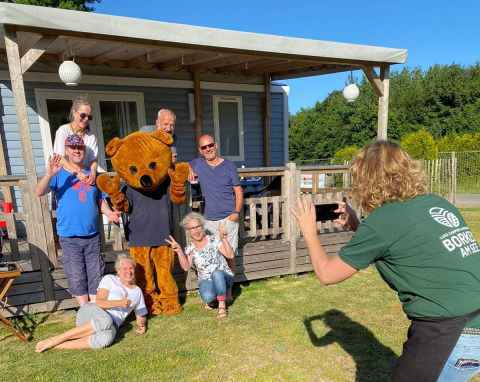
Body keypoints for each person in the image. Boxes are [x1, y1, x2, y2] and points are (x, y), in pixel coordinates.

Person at [291, 140, 480, 382]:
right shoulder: (437, 203)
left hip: (448, 333)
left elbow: (327, 275)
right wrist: (357, 226)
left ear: (367, 180)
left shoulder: (383, 220)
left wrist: (308, 231)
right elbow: (402, 244)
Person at [35, 135, 121, 307]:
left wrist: (110, 213)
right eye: (72, 148)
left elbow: (100, 200)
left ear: (84, 151)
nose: (76, 151)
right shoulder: (59, 173)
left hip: (92, 235)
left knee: (95, 273)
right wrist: (49, 174)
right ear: (66, 151)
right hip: (69, 236)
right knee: (76, 274)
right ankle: (85, 310)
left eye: (80, 148)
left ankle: (96, 310)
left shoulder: (93, 175)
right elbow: (39, 191)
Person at [35, 254, 147, 352]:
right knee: (106, 320)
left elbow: (140, 314)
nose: (129, 272)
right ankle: (56, 339)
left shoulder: (137, 291)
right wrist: (119, 303)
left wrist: (142, 324)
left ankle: (56, 345)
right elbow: (99, 302)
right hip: (91, 312)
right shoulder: (110, 279)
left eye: (131, 268)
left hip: (111, 324)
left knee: (106, 339)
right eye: (125, 269)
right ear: (118, 270)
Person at [188, 135, 242, 300]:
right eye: (203, 147)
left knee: (228, 255)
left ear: (216, 145)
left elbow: (238, 191)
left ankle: (228, 290)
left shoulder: (229, 166)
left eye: (210, 145)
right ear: (200, 150)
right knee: (212, 256)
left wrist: (236, 214)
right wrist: (187, 167)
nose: (208, 149)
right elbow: (179, 165)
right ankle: (214, 288)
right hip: (209, 221)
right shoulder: (198, 164)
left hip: (228, 218)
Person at [165, 212, 234, 319]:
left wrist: (224, 238)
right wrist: (179, 251)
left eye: (198, 226)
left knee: (217, 273)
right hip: (206, 279)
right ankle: (219, 294)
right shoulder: (190, 249)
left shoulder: (214, 240)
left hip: (223, 276)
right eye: (192, 228)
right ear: (188, 231)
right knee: (207, 297)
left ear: (202, 226)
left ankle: (222, 306)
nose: (196, 230)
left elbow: (230, 255)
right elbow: (186, 267)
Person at [53, 96, 98, 185]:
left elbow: (93, 160)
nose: (86, 119)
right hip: (65, 177)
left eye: (89, 117)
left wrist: (93, 174)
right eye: (83, 115)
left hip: (85, 178)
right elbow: (60, 158)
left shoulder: (91, 136)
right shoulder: (63, 130)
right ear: (74, 112)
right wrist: (78, 174)